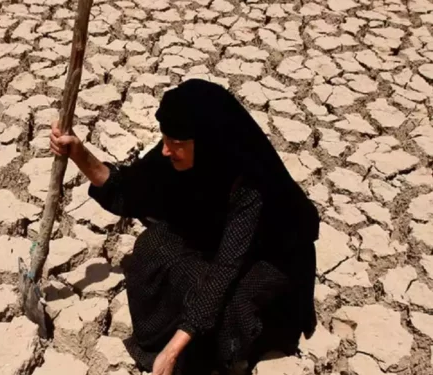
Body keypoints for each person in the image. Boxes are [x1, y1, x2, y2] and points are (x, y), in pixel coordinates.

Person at [49, 79, 319, 375]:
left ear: (207, 144)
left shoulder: (250, 186)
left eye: (175, 145)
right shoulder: (182, 151)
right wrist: (79, 153)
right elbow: (132, 189)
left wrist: (173, 349)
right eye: (165, 141)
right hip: (218, 241)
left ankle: (233, 354)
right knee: (153, 247)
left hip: (271, 258)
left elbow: (225, 270)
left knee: (226, 307)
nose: (166, 151)